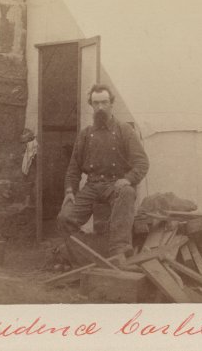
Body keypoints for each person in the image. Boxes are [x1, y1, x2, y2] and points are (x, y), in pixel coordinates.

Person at [57, 83, 149, 258]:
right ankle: (84, 255)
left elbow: (142, 162)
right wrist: (69, 190)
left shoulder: (124, 130)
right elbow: (73, 168)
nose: (100, 107)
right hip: (91, 187)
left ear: (111, 103)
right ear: (91, 105)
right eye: (96, 103)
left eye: (104, 102)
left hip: (115, 185)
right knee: (64, 218)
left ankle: (119, 250)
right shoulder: (85, 134)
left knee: (127, 192)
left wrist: (128, 179)